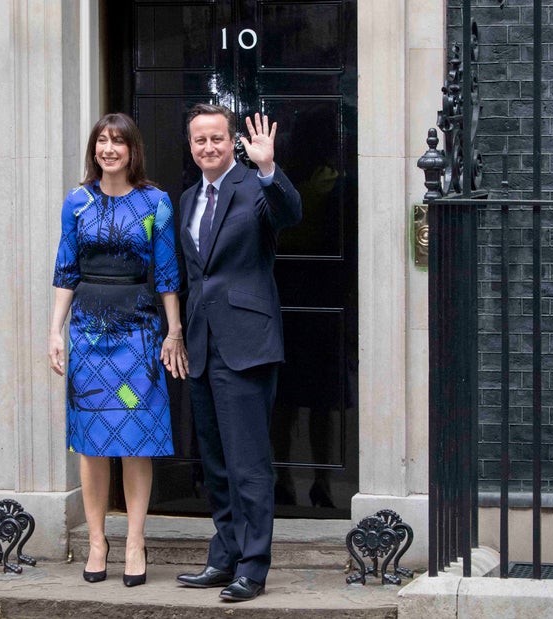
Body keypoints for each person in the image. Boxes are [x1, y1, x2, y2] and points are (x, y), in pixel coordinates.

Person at [48, 113, 187, 588]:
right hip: (87, 335)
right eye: (102, 141)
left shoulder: (155, 202)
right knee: (90, 444)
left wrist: (174, 331)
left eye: (118, 142)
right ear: (94, 150)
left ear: (132, 150)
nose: (109, 149)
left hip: (138, 336)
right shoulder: (77, 202)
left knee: (134, 440)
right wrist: (55, 331)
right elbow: (66, 270)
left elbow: (167, 274)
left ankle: (134, 541)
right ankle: (96, 542)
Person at [175, 104, 301, 601]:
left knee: (249, 463)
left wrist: (269, 168)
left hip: (247, 344)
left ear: (234, 143)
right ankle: (224, 557)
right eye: (200, 140)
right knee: (218, 463)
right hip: (203, 344)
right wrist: (179, 333)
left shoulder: (256, 187)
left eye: (217, 139)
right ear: (191, 146)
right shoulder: (187, 198)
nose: (209, 147)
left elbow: (290, 214)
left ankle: (254, 565)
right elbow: (194, 275)